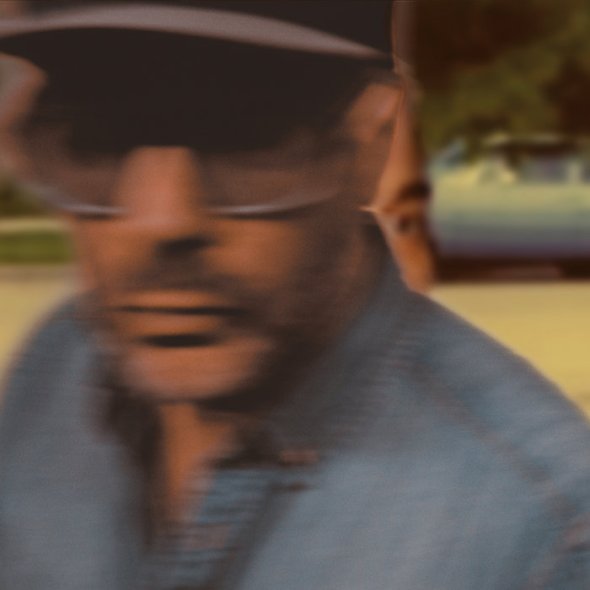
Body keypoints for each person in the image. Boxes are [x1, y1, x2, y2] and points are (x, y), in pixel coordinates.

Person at [0, 2, 588, 589]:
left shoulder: (542, 530)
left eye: (244, 136)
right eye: (98, 139)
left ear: (372, 142)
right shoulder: (56, 363)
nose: (163, 219)